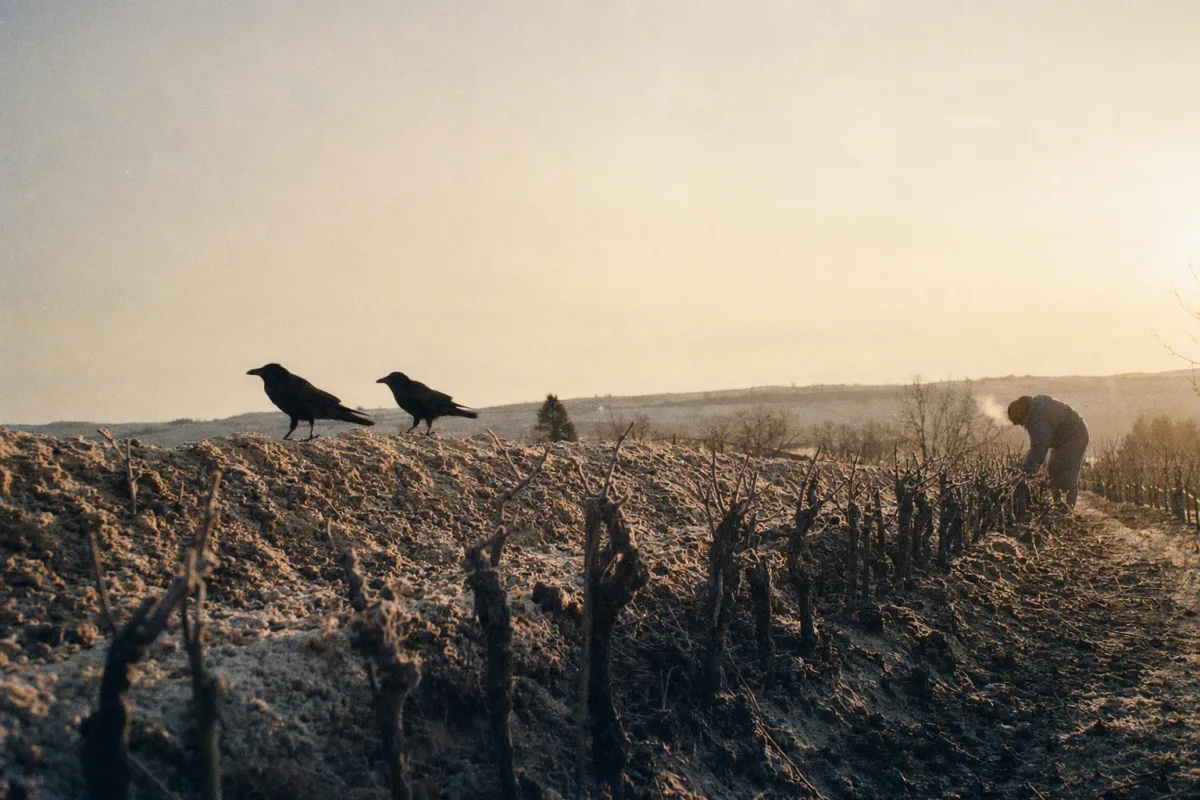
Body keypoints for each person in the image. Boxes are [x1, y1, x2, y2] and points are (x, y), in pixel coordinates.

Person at [1007, 395, 1090, 507]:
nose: (1022, 425)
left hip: (1075, 438)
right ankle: (1059, 505)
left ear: (1023, 416)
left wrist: (1024, 472)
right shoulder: (1035, 408)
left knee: (1065, 471)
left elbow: (1039, 450)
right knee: (1054, 469)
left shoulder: (1038, 419)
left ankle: (1066, 508)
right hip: (1064, 439)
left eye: (1021, 422)